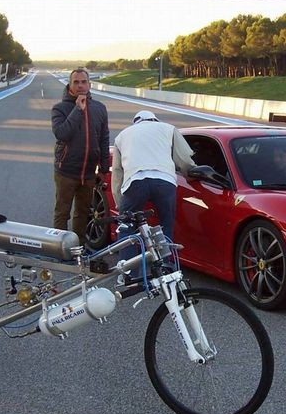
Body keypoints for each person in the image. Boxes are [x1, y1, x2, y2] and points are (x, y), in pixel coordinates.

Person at [111, 110, 195, 273]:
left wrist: (119, 202)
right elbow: (185, 160)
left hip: (135, 182)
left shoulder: (122, 136)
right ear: (155, 120)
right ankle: (164, 269)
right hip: (164, 181)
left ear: (135, 122)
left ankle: (130, 273)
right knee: (166, 225)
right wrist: (189, 173)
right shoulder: (168, 129)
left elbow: (117, 172)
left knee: (127, 226)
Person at [50, 68, 110, 242]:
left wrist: (104, 169)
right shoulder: (60, 108)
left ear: (89, 84)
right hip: (66, 171)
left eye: (84, 82)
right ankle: (59, 248)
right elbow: (62, 133)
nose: (80, 85)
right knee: (62, 213)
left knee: (83, 213)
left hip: (89, 173)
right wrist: (78, 109)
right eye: (76, 82)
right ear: (70, 85)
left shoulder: (99, 108)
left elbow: (104, 138)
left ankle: (79, 249)